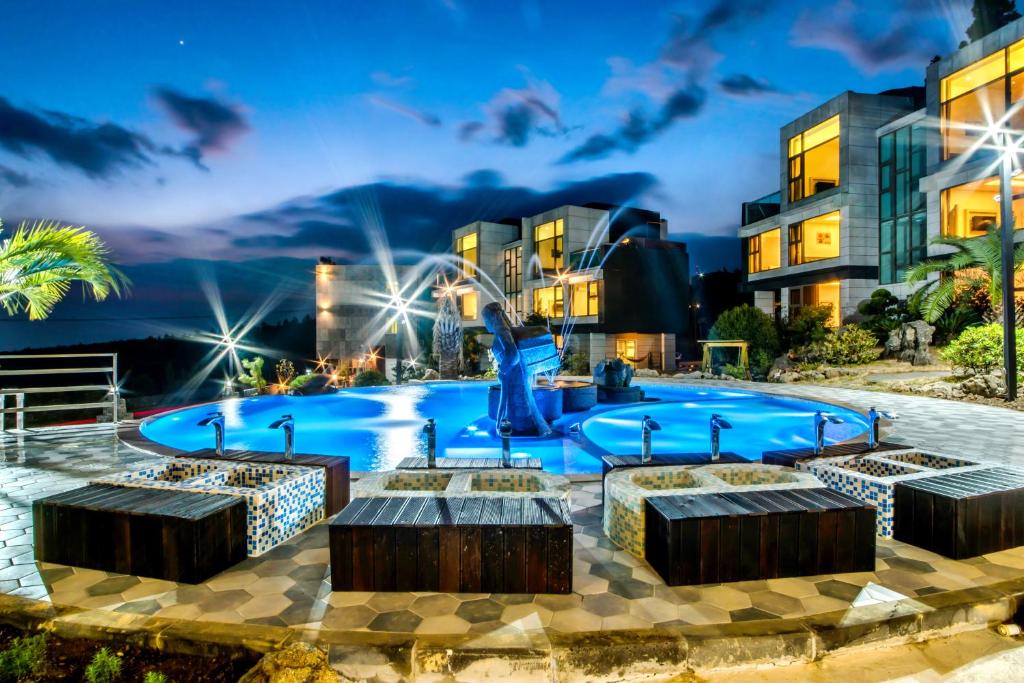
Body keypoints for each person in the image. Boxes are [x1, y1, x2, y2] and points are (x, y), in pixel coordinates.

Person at [481, 302, 552, 436]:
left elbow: (513, 355)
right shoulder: (508, 331)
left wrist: (502, 371)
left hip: (514, 374)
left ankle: (521, 429)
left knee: (517, 401)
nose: (485, 324)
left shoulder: (502, 332)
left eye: (485, 319)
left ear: (492, 319)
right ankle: (536, 428)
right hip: (521, 372)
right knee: (524, 400)